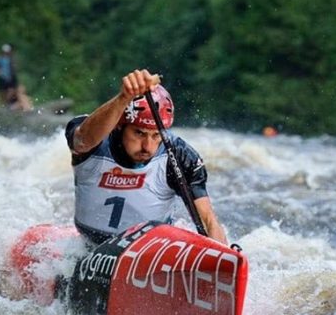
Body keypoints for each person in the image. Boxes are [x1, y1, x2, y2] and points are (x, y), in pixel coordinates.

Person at [65, 68, 228, 246]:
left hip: (148, 248)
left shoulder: (179, 155)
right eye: (139, 133)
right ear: (121, 126)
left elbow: (207, 219)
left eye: (156, 135)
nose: (147, 147)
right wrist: (124, 97)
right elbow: (82, 141)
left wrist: (222, 258)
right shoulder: (94, 136)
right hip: (88, 244)